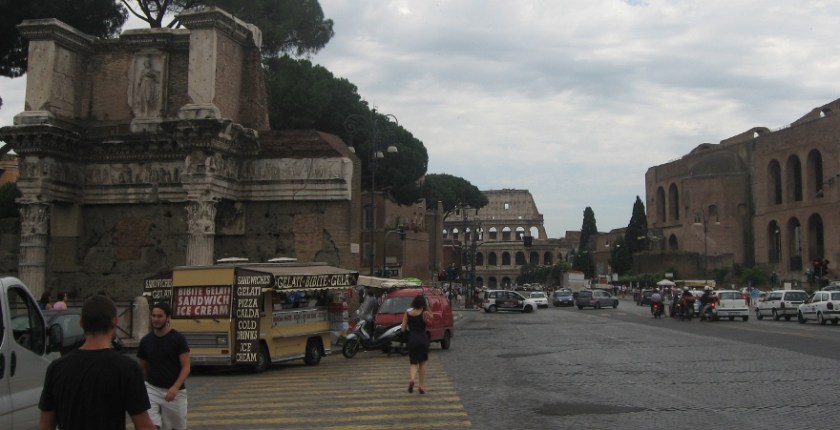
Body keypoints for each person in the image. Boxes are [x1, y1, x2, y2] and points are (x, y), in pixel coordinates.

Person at [38, 295, 155, 430]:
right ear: (115, 322)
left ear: (81, 322)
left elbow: (46, 425)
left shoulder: (56, 368)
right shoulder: (127, 368)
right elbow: (144, 426)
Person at [138, 302, 191, 430]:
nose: (156, 319)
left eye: (159, 316)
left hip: (175, 392)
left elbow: (186, 367)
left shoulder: (178, 339)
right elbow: (143, 367)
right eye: (153, 316)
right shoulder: (145, 341)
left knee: (175, 427)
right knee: (151, 426)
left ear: (167, 318)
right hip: (152, 389)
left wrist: (175, 387)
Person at [401, 294, 432, 395]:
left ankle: (412, 379)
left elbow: (403, 327)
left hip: (412, 339)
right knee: (422, 363)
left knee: (413, 363)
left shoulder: (408, 313)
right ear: (423, 303)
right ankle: (421, 386)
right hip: (422, 339)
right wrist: (427, 307)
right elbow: (432, 317)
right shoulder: (424, 313)